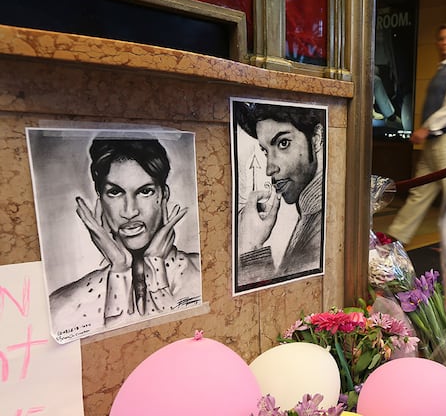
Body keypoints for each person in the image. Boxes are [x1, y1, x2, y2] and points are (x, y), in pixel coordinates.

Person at [49, 136, 202, 338]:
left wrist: (156, 268)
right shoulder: (62, 306)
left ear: (163, 195)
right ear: (100, 198)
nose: (130, 211)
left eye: (145, 191)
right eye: (115, 192)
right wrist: (119, 269)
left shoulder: (202, 272)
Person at [385, 23, 446, 247]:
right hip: (435, 143)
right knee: (420, 191)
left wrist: (427, 128)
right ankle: (396, 237)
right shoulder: (443, 70)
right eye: (442, 38)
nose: (445, 42)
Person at [234, 102, 325, 286]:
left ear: (316, 138)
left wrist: (250, 246)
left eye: (283, 143)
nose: (270, 168)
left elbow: (281, 298)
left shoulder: (319, 220)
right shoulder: (310, 211)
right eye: (265, 151)